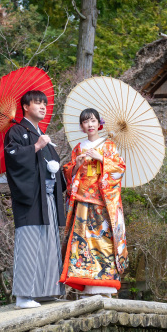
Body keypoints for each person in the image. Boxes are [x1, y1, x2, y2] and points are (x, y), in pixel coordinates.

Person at [4, 90, 67, 308]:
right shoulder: (16, 131)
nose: (43, 107)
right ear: (25, 107)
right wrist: (36, 147)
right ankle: (23, 295)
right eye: (38, 103)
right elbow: (12, 159)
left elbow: (53, 169)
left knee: (49, 242)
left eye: (45, 104)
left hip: (47, 197)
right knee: (30, 241)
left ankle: (45, 290)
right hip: (30, 198)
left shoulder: (42, 134)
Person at [60, 108, 128, 296]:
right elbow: (69, 173)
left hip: (102, 200)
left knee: (103, 240)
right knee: (82, 240)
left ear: (99, 123)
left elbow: (119, 170)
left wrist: (102, 159)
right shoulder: (78, 148)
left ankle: (105, 284)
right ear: (81, 126)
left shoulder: (109, 146)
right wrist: (78, 164)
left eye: (92, 121)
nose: (89, 124)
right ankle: (85, 283)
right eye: (85, 122)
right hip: (82, 198)